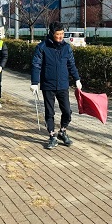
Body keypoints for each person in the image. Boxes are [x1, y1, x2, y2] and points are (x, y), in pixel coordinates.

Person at [31, 21, 82, 149]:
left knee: (67, 111)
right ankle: (52, 135)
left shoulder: (66, 47)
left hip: (63, 85)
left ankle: (62, 131)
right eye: (57, 34)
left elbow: (71, 64)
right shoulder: (42, 47)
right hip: (48, 85)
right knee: (50, 112)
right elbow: (36, 65)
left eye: (62, 34)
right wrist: (34, 82)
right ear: (51, 33)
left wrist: (77, 79)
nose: (60, 37)